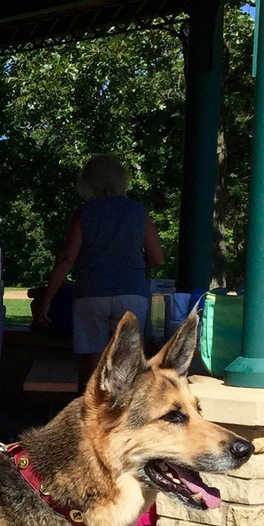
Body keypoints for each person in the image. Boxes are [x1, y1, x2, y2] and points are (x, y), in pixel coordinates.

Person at [34, 153, 163, 388]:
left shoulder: (84, 212)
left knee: (90, 374)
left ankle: (88, 419)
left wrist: (47, 299)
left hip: (91, 293)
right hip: (132, 294)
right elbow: (156, 257)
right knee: (130, 371)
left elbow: (67, 259)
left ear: (88, 181)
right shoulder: (138, 211)